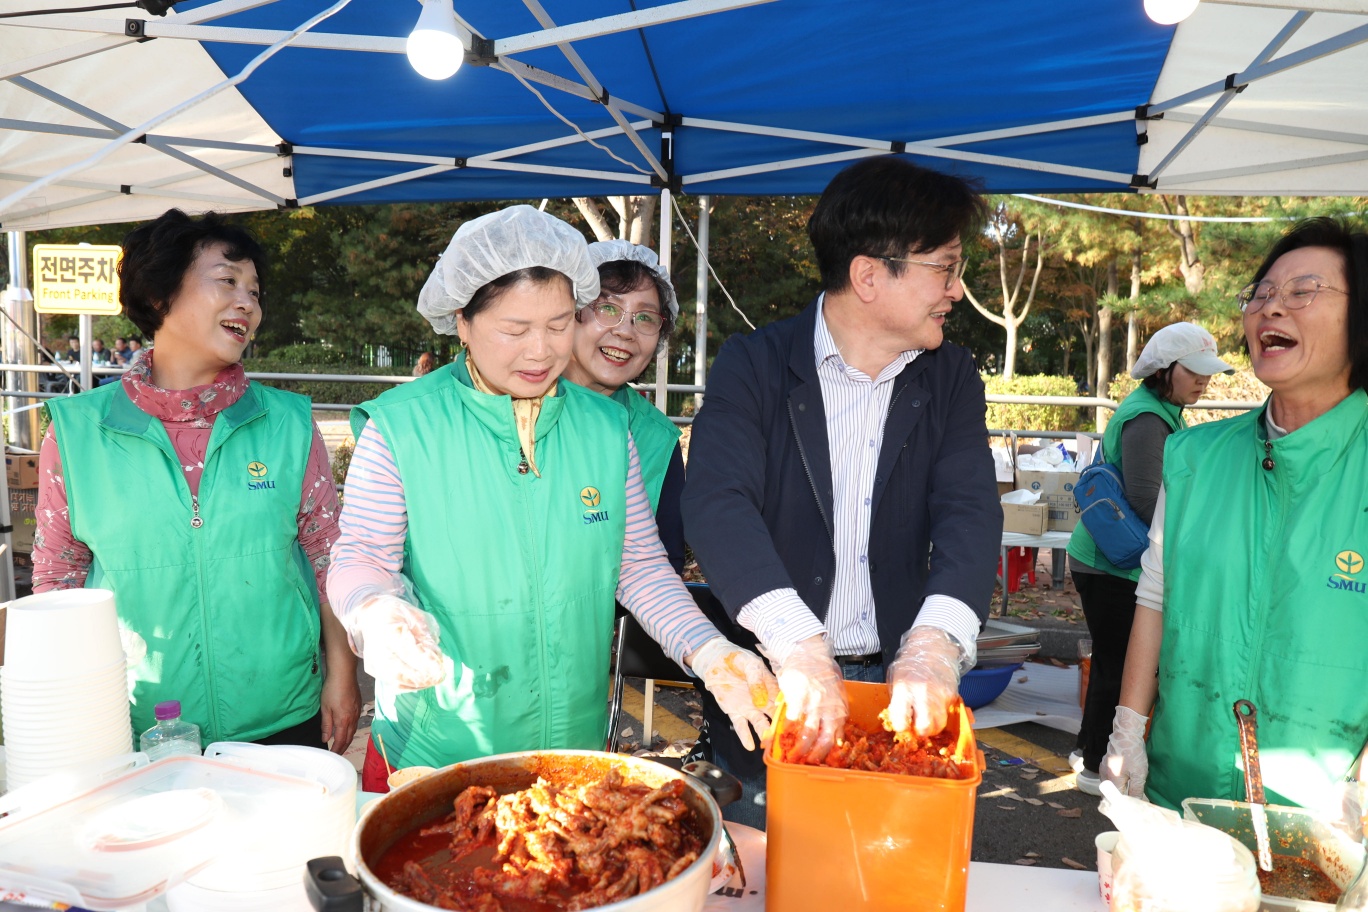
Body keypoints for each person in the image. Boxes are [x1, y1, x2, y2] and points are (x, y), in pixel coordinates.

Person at [326, 205, 778, 792]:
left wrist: (708, 650)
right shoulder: (401, 427)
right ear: (462, 320)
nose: (541, 351)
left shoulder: (606, 429)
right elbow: (361, 555)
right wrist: (374, 611)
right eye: (515, 330)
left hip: (573, 743)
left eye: (560, 324)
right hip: (440, 745)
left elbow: (639, 566)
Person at [681, 156, 1001, 828]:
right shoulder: (755, 365)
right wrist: (797, 645)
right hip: (777, 678)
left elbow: (969, 511)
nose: (957, 290)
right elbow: (718, 504)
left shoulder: (949, 376)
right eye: (945, 267)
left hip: (898, 683)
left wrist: (934, 645)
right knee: (775, 865)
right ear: (868, 276)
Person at [33, 208, 361, 754]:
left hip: (281, 717)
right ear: (161, 296)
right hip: (132, 724)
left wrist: (342, 678)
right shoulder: (75, 433)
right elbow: (57, 583)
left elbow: (331, 560)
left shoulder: (288, 424)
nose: (248, 304)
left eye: (255, 291)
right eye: (228, 281)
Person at [1103, 218, 1368, 817]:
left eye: (1303, 291)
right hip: (1183, 793)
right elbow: (1155, 596)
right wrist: (1127, 732)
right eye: (1262, 293)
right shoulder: (1195, 455)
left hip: (1326, 819)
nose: (1271, 308)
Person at [1065, 322, 1233, 796]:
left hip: (1114, 559)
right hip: (1110, 564)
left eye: (1208, 373)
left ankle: (1088, 751)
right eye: (1195, 372)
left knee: (1113, 661)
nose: (1204, 381)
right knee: (1119, 665)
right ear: (1165, 371)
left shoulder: (1162, 409)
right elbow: (1146, 499)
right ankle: (1098, 767)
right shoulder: (1148, 418)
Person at [562, 240, 685, 572]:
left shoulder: (657, 439)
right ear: (569, 313)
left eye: (644, 317)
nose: (626, 331)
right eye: (607, 308)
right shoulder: (512, 404)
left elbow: (664, 565)